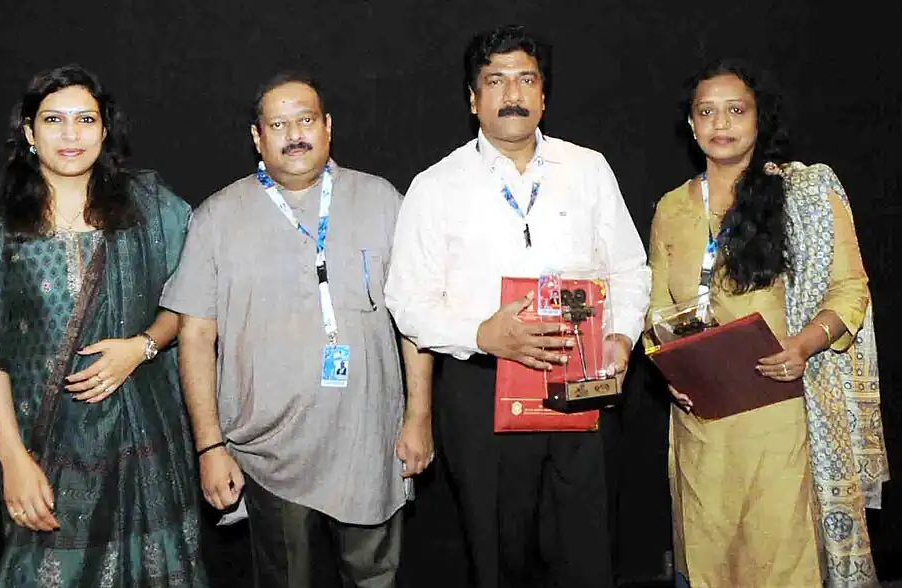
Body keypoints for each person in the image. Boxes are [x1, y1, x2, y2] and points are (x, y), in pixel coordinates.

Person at [384, 24, 651, 587]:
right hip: (483, 389)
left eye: (526, 79)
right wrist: (483, 334)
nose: (513, 94)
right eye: (496, 81)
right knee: (499, 557)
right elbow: (407, 301)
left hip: (585, 379)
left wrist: (622, 337)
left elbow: (629, 268)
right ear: (473, 99)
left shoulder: (588, 169)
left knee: (587, 551)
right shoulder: (436, 185)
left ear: (544, 94)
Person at [161, 72, 430, 588]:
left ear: (328, 127)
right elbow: (195, 338)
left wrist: (419, 416)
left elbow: (414, 320)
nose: (295, 134)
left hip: (368, 442)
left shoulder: (382, 201)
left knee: (375, 578)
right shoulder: (217, 217)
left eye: (306, 119)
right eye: (278, 124)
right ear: (258, 138)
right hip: (270, 455)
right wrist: (209, 448)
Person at [647, 58, 889, 587]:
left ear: (759, 119)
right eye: (706, 112)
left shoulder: (803, 193)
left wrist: (803, 344)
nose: (721, 123)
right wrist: (673, 373)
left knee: (781, 558)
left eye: (736, 110)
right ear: (691, 125)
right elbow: (657, 312)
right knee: (710, 557)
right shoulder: (670, 207)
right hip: (701, 420)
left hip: (782, 410)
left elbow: (851, 290)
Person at [0, 64, 206, 586]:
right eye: (54, 120)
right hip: (44, 447)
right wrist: (13, 458)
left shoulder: (150, 207)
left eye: (85, 119)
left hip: (144, 440)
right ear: (29, 133)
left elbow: (193, 298)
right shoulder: (0, 222)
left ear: (104, 130)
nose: (71, 134)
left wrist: (141, 347)